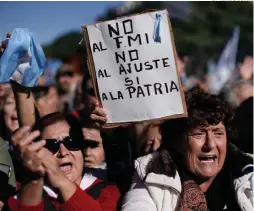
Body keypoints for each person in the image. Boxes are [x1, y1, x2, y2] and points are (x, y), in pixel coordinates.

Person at [121, 87, 253, 211]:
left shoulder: (248, 172)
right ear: (178, 141)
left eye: (218, 133)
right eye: (198, 134)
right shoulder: (152, 174)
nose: (210, 144)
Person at [8, 112, 120, 211]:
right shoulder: (25, 194)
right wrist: (34, 179)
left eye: (71, 142)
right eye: (51, 145)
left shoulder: (107, 191)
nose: (63, 152)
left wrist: (61, 181)